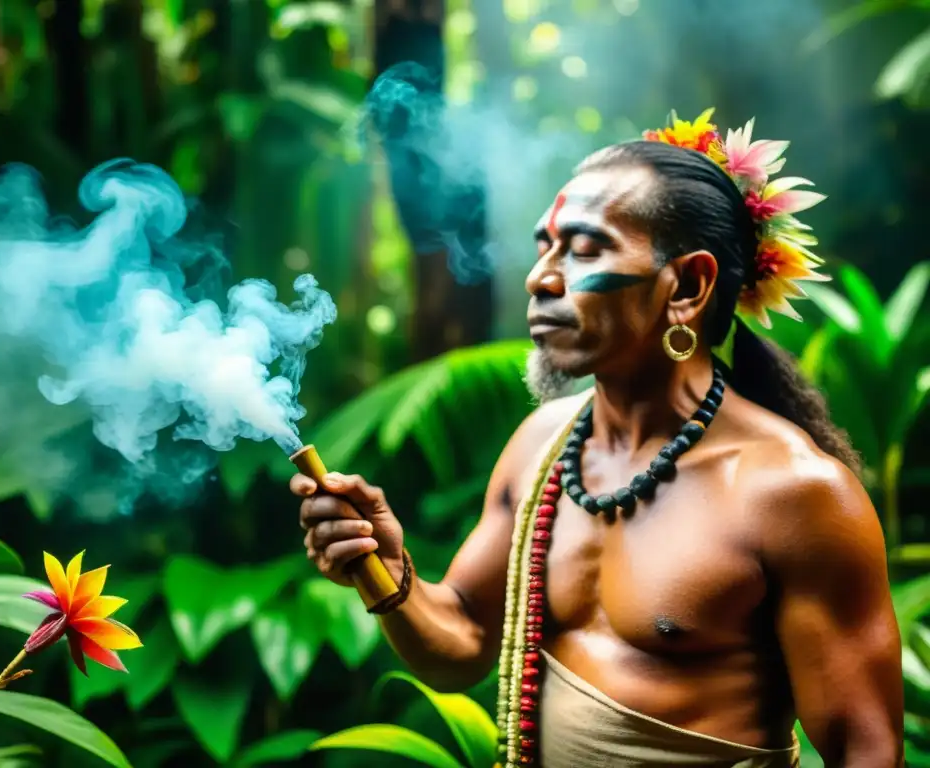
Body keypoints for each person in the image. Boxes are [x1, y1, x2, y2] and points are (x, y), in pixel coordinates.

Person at [291, 109, 904, 768]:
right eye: (545, 246)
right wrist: (384, 569)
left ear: (689, 287)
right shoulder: (541, 446)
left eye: (584, 250)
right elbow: (462, 638)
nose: (541, 279)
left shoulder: (791, 493)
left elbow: (863, 750)